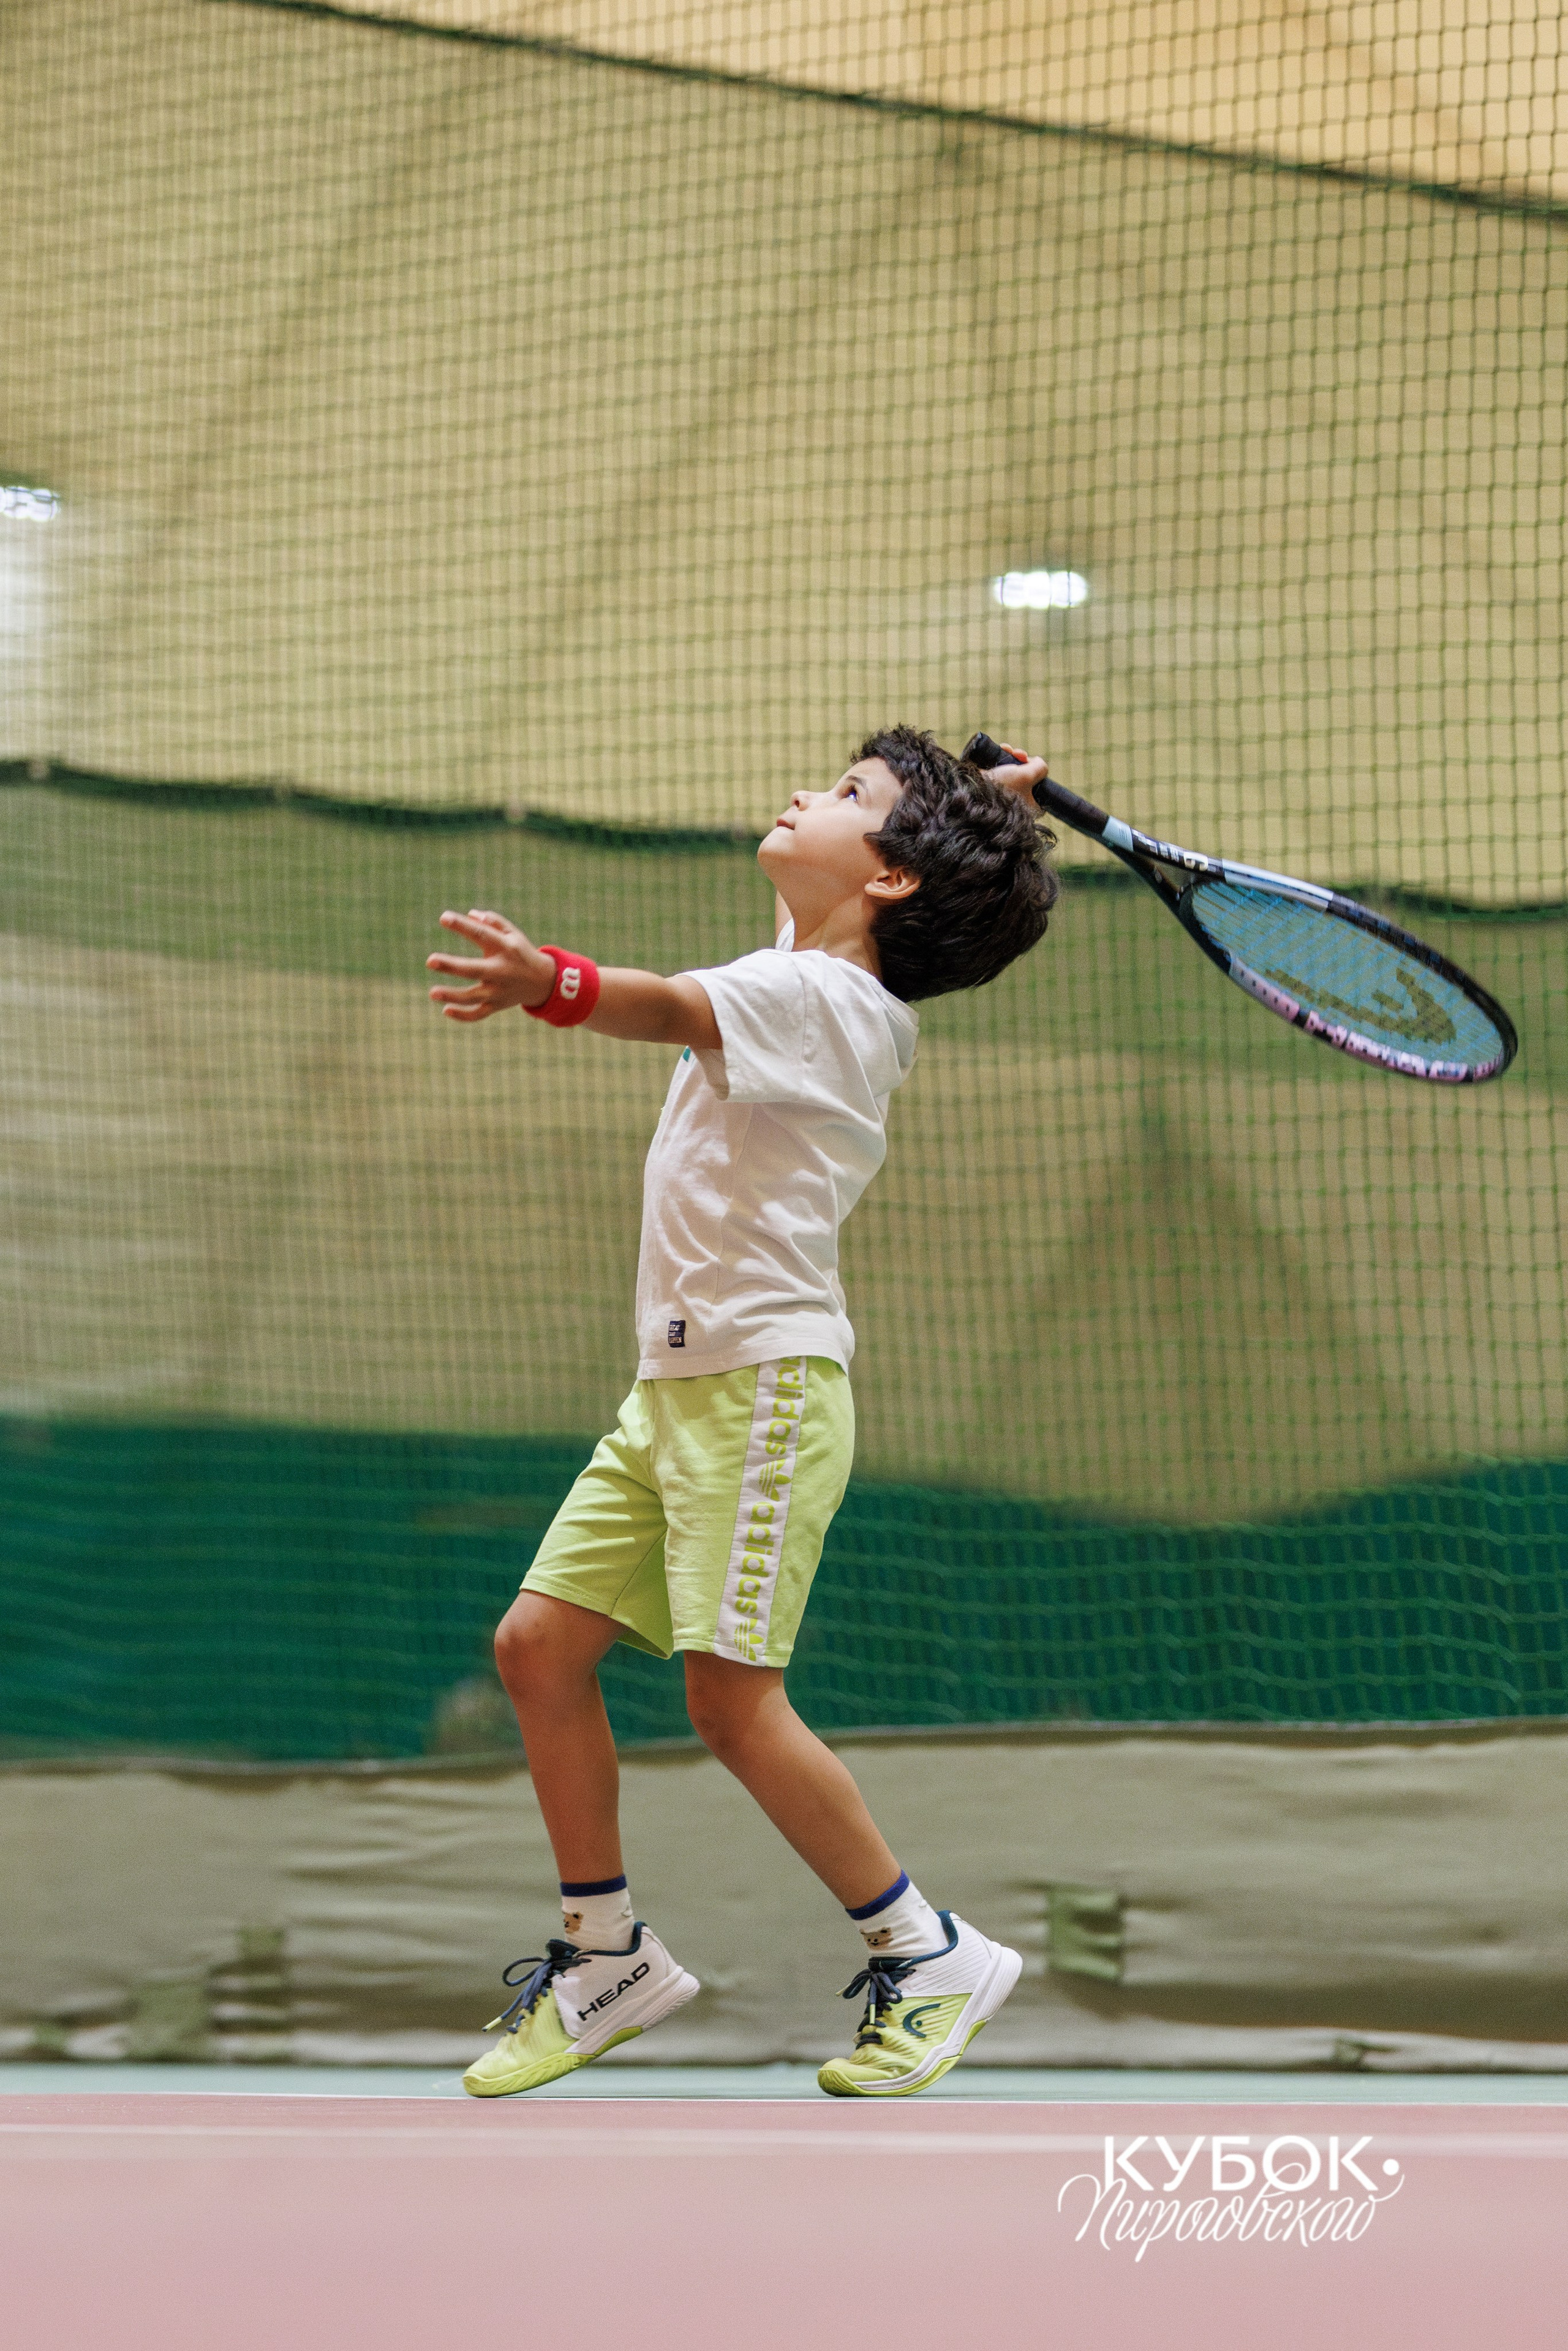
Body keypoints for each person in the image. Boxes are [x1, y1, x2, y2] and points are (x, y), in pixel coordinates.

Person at [426, 726, 1057, 2098]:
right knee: (537, 1648)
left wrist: (553, 982)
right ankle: (605, 1956)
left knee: (731, 1703)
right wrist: (974, 818)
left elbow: (660, 1004)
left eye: (847, 796)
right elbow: (835, 894)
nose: (807, 792)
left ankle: (927, 1948)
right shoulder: (814, 954)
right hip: (671, 1389)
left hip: (762, 1390)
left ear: (891, 880)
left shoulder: (827, 1005)